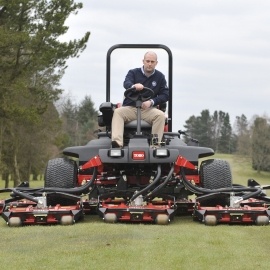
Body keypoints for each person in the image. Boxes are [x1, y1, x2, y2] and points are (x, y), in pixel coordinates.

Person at [111, 51, 169, 148]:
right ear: (143, 61)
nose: (149, 64)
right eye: (147, 61)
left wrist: (151, 102)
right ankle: (117, 143)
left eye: (152, 62)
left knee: (160, 116)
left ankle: (155, 145)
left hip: (148, 110)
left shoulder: (160, 77)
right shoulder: (133, 73)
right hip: (131, 108)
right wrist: (134, 86)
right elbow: (126, 83)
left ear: (156, 63)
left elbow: (165, 95)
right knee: (117, 112)